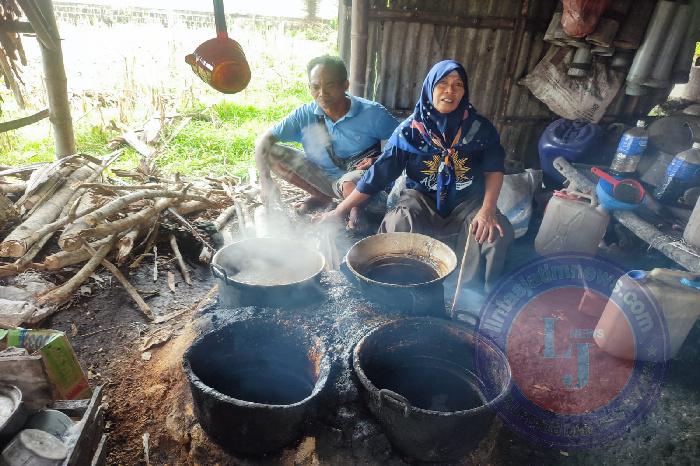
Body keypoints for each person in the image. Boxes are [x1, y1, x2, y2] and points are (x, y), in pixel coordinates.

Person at [321, 60, 514, 291]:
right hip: (420, 201)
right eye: (442, 83)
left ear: (465, 91)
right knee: (398, 220)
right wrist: (338, 211)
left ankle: (477, 297)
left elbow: (494, 168)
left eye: (458, 84)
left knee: (495, 232)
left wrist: (488, 209)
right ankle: (401, 288)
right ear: (430, 88)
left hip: (467, 203)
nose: (450, 91)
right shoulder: (410, 131)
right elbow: (377, 176)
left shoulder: (479, 129)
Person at [255, 55, 399, 231]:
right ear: (309, 88)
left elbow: (406, 144)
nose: (322, 93)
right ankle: (322, 196)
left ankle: (355, 211)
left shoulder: (372, 113)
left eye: (329, 85)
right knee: (271, 153)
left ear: (345, 85)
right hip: (323, 178)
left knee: (349, 183)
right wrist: (265, 181)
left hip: (358, 181)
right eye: (315, 87)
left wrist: (376, 159)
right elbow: (263, 141)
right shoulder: (304, 115)